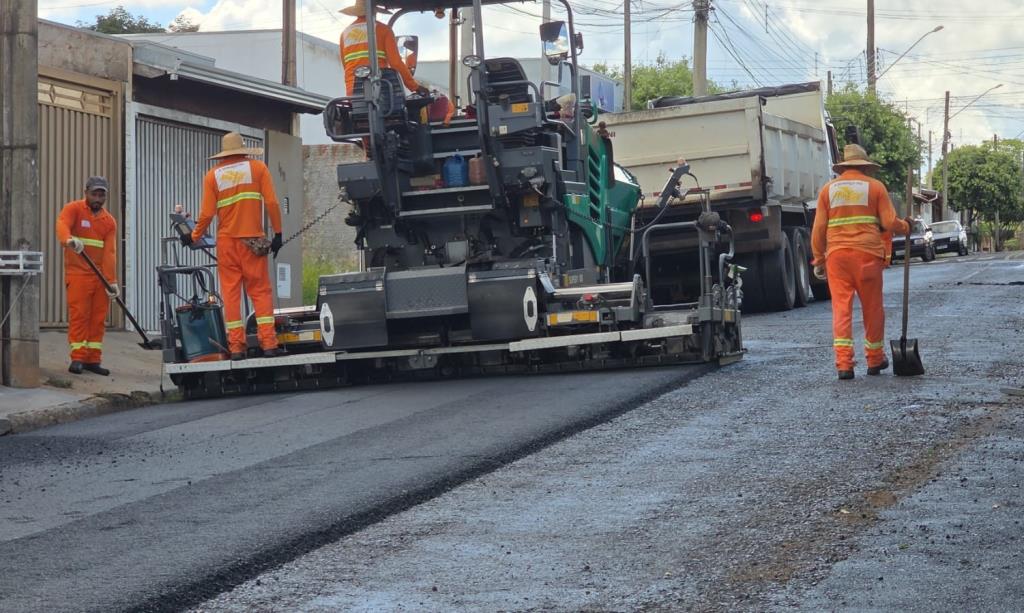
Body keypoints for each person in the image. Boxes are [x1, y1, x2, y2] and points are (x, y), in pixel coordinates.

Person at [811, 144, 912, 380]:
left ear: (844, 167)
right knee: (873, 308)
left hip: (837, 257)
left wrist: (818, 257)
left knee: (841, 309)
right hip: (868, 255)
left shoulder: (828, 190)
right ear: (865, 166)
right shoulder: (875, 187)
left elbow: (819, 228)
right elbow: (888, 223)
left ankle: (844, 365)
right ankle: (875, 360)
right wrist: (906, 226)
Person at [181, 132, 283, 360]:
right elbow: (272, 202)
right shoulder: (258, 168)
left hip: (226, 243)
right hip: (252, 241)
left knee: (231, 293)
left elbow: (206, 213)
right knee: (260, 292)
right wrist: (278, 233)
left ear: (223, 153)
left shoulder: (212, 176)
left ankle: (236, 347)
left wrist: (194, 236)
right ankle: (269, 344)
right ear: (244, 150)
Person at [56, 176, 118, 376]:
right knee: (80, 316)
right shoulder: (73, 209)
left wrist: (112, 282)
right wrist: (69, 240)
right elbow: (62, 225)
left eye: (102, 195)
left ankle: (93, 359)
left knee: (98, 318)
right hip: (78, 274)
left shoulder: (109, 222)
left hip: (100, 277)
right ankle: (78, 358)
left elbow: (110, 254)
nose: (98, 198)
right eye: (95, 194)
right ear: (86, 193)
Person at [338, 1, 428, 97]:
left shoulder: (344, 34)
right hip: (379, 91)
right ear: (375, 11)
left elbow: (346, 66)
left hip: (353, 93)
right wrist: (415, 87)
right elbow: (396, 63)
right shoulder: (383, 30)